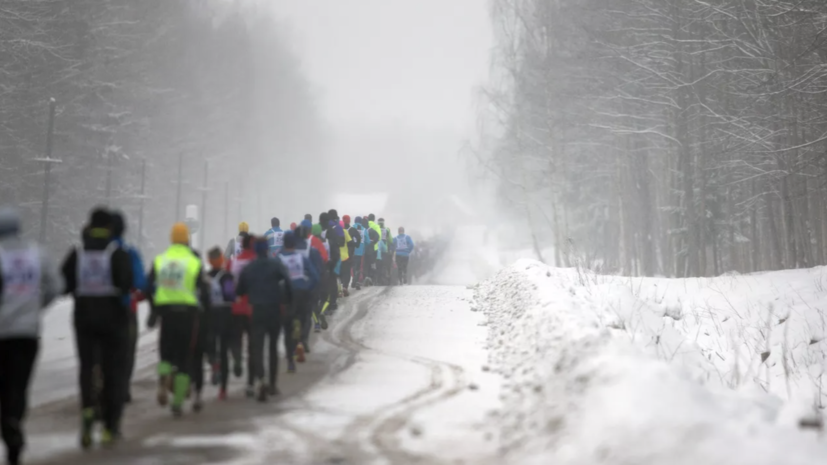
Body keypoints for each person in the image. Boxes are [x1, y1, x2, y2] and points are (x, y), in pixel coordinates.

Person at [61, 208, 133, 447]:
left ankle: (87, 413)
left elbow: (65, 283)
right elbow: (127, 284)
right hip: (113, 320)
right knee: (112, 370)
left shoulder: (78, 252)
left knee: (87, 367)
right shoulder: (117, 252)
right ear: (110, 228)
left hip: (84, 319)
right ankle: (110, 427)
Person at [0, 208, 61, 465]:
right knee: (20, 384)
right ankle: (15, 421)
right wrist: (36, 307)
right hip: (28, 333)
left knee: (3, 385)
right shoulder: (37, 253)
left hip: (2, 333)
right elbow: (56, 286)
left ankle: (9, 427)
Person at [146, 223, 209, 417]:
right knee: (184, 358)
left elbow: (148, 286)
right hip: (188, 314)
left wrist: (155, 308)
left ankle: (163, 379)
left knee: (165, 352)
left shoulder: (160, 260)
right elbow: (204, 290)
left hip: (166, 314)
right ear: (187, 239)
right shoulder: (194, 261)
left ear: (171, 238)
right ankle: (178, 402)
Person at [236, 238, 293, 401]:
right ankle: (273, 384)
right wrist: (288, 301)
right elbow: (288, 282)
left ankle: (261, 379)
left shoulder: (249, 268)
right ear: (267, 249)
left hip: (257, 310)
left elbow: (240, 290)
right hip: (274, 309)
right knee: (273, 347)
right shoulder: (276, 265)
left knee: (257, 347)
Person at [109, 211, 146, 404]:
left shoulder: (91, 252)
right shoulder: (129, 253)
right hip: (125, 309)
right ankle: (122, 388)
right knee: (126, 350)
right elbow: (140, 282)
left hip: (94, 311)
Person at [277, 231, 318, 362]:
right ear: (294, 243)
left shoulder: (278, 258)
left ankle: (291, 353)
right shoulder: (302, 258)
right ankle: (301, 341)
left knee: (287, 323)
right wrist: (307, 286)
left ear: (283, 243)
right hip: (301, 292)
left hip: (285, 294)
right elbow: (315, 276)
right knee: (303, 318)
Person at [226, 233, 256, 397]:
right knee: (253, 347)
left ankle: (237, 358)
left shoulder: (234, 261)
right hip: (254, 309)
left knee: (235, 340)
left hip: (236, 308)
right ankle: (250, 384)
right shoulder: (258, 262)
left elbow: (227, 284)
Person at [206, 248, 235, 400]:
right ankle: (223, 389)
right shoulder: (227, 276)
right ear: (222, 259)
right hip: (225, 315)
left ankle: (213, 363)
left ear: (209, 261)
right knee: (224, 351)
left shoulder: (206, 276)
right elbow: (230, 295)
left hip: (210, 314)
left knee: (209, 344)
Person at [297, 221, 327, 336]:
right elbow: (324, 257)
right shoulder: (315, 241)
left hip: (296, 281)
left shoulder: (294, 243)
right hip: (312, 277)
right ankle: (316, 323)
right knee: (313, 301)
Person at [342, 215, 361, 295]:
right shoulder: (352, 230)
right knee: (347, 271)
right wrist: (356, 245)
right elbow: (358, 238)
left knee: (340, 270)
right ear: (349, 221)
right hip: (349, 253)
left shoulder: (339, 230)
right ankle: (345, 286)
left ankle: (340, 286)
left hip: (339, 253)